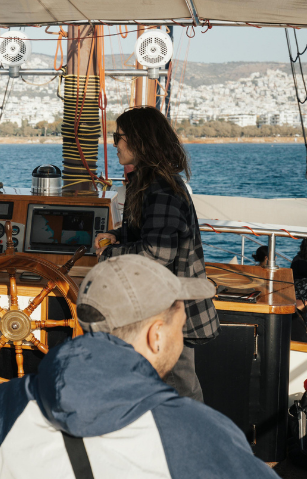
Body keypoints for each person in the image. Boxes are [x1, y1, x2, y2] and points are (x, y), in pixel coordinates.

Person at [0, 255, 275, 479]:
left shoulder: (4, 405)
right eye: (179, 322)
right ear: (156, 335)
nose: (183, 331)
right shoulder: (200, 434)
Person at [93, 106, 218, 402]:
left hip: (168, 310)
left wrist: (110, 253)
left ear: (139, 141)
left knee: (176, 389)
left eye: (119, 137)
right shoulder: (149, 183)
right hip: (158, 306)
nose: (114, 143)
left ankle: (189, 432)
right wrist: (119, 236)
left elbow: (156, 254)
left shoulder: (161, 189)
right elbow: (149, 233)